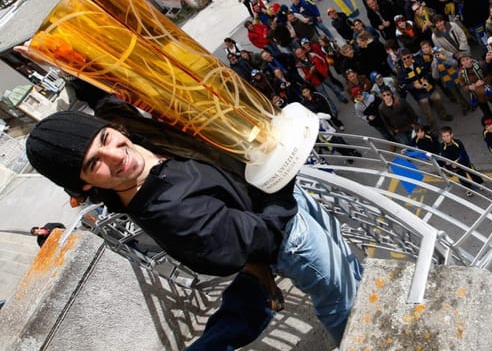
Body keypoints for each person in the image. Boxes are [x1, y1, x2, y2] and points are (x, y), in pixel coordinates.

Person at [26, 111, 362, 347]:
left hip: (283, 204)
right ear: (83, 185)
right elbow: (259, 238)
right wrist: (281, 183)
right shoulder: (169, 212)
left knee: (353, 275)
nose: (116, 155)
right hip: (289, 234)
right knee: (346, 307)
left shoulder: (142, 146)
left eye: (105, 138)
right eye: (94, 163)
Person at [439, 126, 484, 197]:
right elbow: (445, 156)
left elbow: (463, 154)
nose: (446, 138)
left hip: (464, 162)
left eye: (447, 135)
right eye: (444, 136)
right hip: (454, 165)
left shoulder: (458, 142)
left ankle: (480, 183)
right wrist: (449, 163)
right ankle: (468, 188)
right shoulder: (442, 146)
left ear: (451, 135)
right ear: (442, 137)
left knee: (472, 172)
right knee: (462, 177)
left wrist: (456, 162)